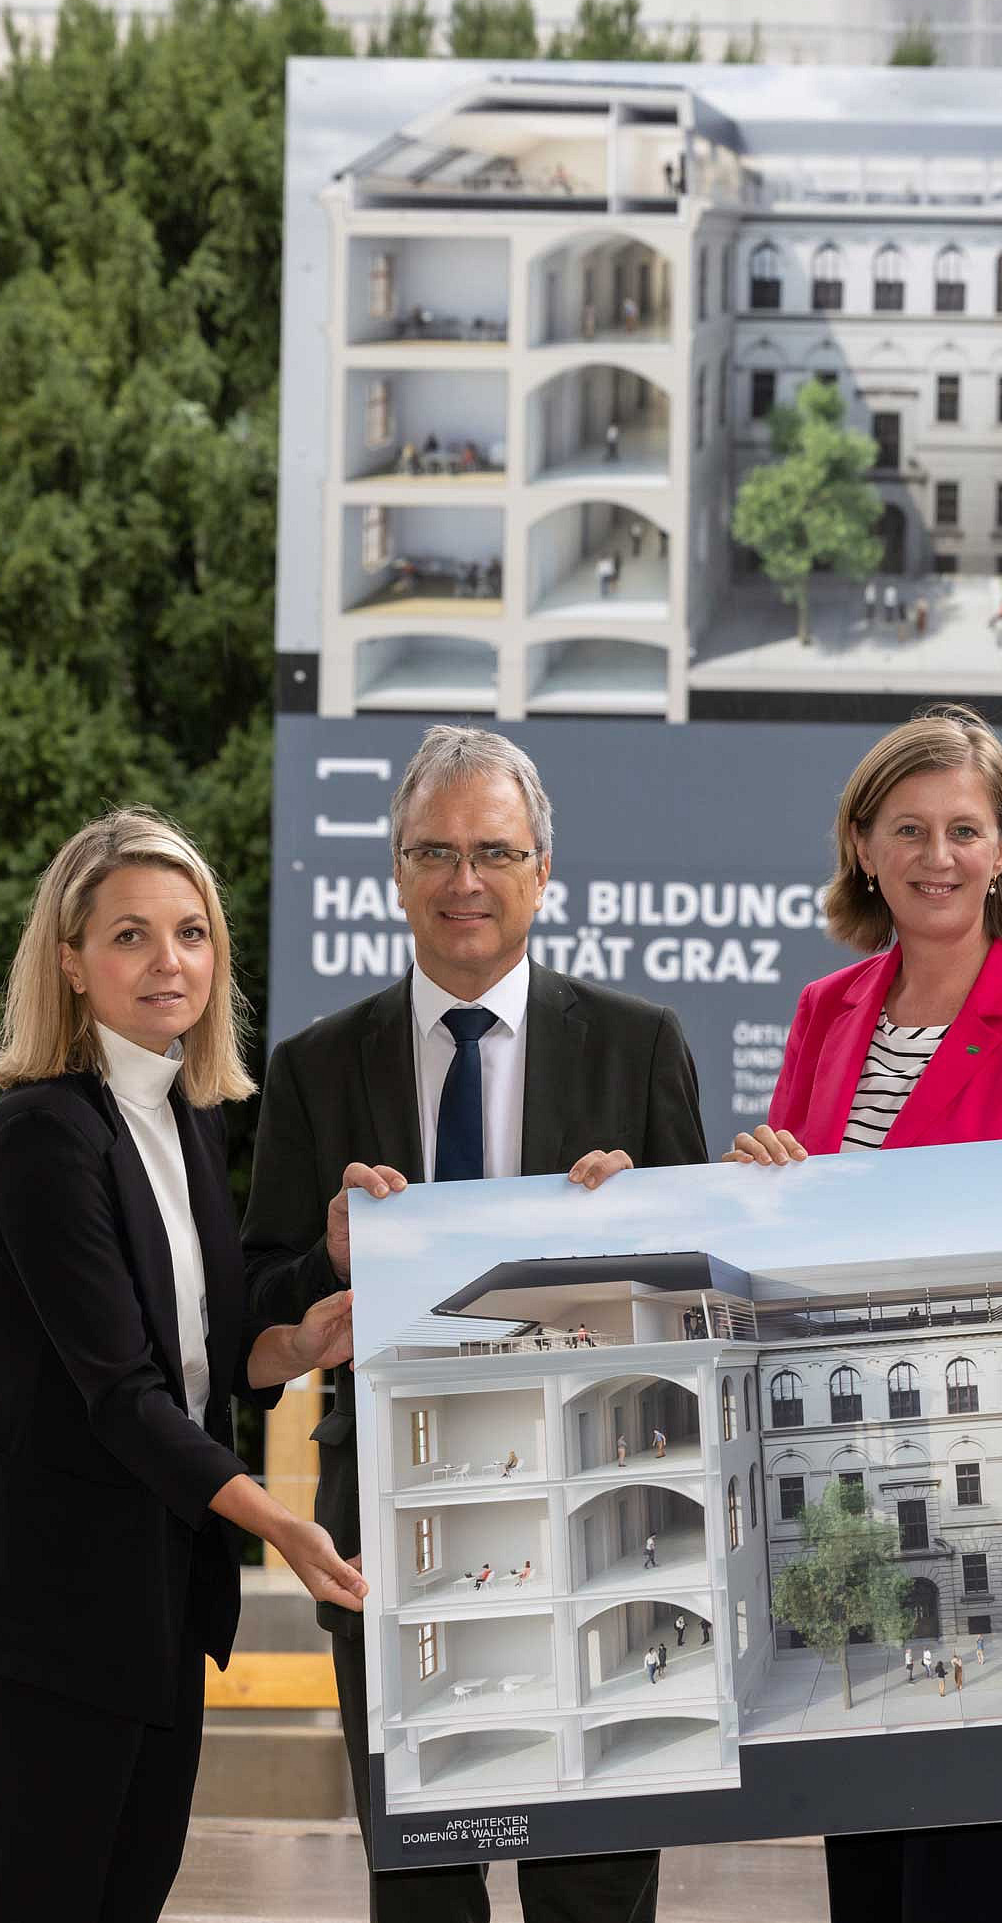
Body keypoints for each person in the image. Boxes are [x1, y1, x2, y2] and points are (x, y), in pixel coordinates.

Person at [243, 725, 706, 1923]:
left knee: (595, 1875)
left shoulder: (638, 1043)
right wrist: (325, 1266)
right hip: (394, 1530)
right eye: (435, 851)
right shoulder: (312, 1066)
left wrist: (639, 1233)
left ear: (542, 869)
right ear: (395, 872)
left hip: (605, 1511)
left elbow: (702, 1306)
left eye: (494, 850)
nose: (464, 881)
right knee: (425, 1880)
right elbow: (258, 1306)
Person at [726, 703, 1002, 1923]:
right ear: (862, 843)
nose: (937, 855)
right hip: (837, 1478)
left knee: (985, 1875)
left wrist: (841, 1224)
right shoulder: (825, 1009)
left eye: (965, 827)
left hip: (1000, 1475)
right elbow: (788, 1246)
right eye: (908, 827)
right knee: (871, 1871)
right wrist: (762, 1185)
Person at [0, 811, 365, 1923]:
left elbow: (204, 1357)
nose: (168, 960)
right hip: (58, 1596)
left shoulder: (180, 1119)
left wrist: (301, 1337)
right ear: (71, 961)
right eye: (131, 934)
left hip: (157, 1590)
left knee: (127, 1895)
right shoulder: (41, 1136)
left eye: (191, 931)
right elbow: (121, 1393)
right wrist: (278, 1521)